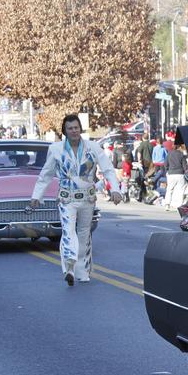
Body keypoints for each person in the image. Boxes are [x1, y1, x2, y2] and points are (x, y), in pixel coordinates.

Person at [29, 114, 123, 285]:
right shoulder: (56, 149)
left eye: (76, 127)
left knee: (84, 234)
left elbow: (108, 169)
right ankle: (69, 267)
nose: (74, 131)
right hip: (67, 198)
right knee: (68, 231)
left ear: (81, 128)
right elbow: (47, 174)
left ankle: (82, 271)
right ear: (64, 131)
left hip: (87, 197)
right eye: (70, 128)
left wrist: (115, 190)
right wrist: (37, 195)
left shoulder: (93, 147)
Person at [163, 138, 188, 211]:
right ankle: (178, 206)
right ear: (178, 146)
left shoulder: (169, 154)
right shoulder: (181, 154)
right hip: (180, 174)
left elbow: (165, 164)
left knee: (169, 189)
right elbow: (185, 166)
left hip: (171, 174)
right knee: (180, 190)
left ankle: (167, 204)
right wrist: (186, 172)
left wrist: (167, 170)